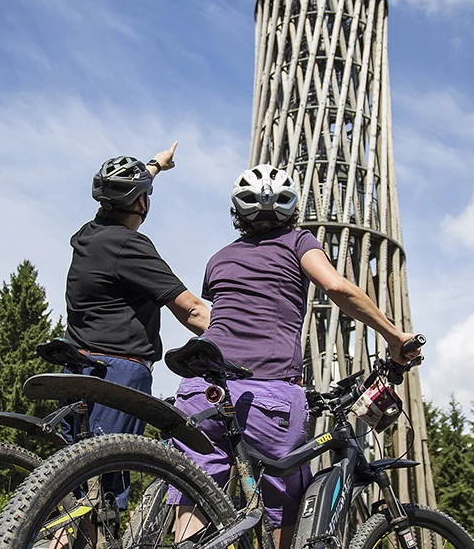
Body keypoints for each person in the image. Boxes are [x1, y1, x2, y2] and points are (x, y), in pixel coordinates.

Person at [169, 164, 424, 547]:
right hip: (266, 394)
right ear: (292, 212)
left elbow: (218, 316)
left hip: (200, 390)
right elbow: (336, 286)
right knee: (286, 506)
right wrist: (393, 335)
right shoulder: (297, 242)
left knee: (197, 497)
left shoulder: (219, 258)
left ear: (237, 215)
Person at [61, 141, 209, 508]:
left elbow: (127, 195)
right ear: (142, 202)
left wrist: (155, 165)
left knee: (70, 486)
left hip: (76, 368)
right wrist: (239, 342)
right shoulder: (130, 246)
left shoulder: (88, 234)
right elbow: (191, 310)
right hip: (118, 375)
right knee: (102, 493)